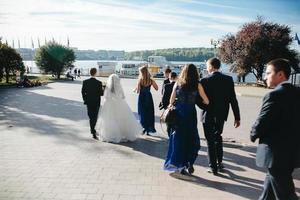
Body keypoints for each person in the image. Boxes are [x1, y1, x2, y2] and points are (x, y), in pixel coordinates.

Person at [250, 58, 300, 200]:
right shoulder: (297, 93)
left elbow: (262, 121)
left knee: (286, 195)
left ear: (280, 75)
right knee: (268, 193)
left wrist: (253, 134)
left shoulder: (274, 95)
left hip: (276, 154)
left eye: (268, 73)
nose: (265, 77)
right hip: (291, 152)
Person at [164, 64, 209, 175]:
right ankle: (189, 162)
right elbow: (206, 101)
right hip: (190, 114)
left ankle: (178, 164)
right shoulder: (197, 85)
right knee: (192, 140)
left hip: (179, 114)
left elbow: (171, 101)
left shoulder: (177, 83)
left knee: (178, 139)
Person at [200, 57, 240, 175]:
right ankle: (219, 163)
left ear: (211, 66)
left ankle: (213, 167)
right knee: (218, 137)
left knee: (210, 141)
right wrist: (237, 117)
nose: (206, 68)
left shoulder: (204, 80)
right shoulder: (228, 79)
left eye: (207, 66)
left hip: (207, 115)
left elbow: (199, 99)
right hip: (221, 115)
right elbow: (233, 100)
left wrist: (204, 107)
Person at [98, 74, 142, 143]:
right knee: (121, 119)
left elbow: (106, 97)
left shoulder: (108, 87)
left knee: (110, 119)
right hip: (119, 103)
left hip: (109, 104)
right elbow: (123, 96)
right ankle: (122, 134)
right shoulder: (119, 86)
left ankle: (112, 134)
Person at [134, 66, 158, 135]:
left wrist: (135, 89)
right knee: (149, 113)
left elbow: (138, 91)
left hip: (142, 97)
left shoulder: (140, 80)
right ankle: (148, 129)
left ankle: (143, 128)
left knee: (142, 113)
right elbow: (156, 88)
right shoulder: (151, 80)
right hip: (148, 97)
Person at [81, 68, 104, 140]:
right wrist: (103, 88)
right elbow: (101, 94)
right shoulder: (99, 83)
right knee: (95, 117)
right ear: (95, 73)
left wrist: (85, 99)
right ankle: (93, 130)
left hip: (89, 102)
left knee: (91, 117)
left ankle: (93, 131)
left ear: (90, 73)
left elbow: (82, 92)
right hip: (96, 102)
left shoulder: (85, 82)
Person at [159, 72, 177, 137]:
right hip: (177, 107)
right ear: (176, 77)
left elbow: (163, 98)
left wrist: (165, 107)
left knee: (168, 123)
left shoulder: (166, 86)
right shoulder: (179, 85)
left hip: (168, 106)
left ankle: (170, 136)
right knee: (176, 123)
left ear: (170, 77)